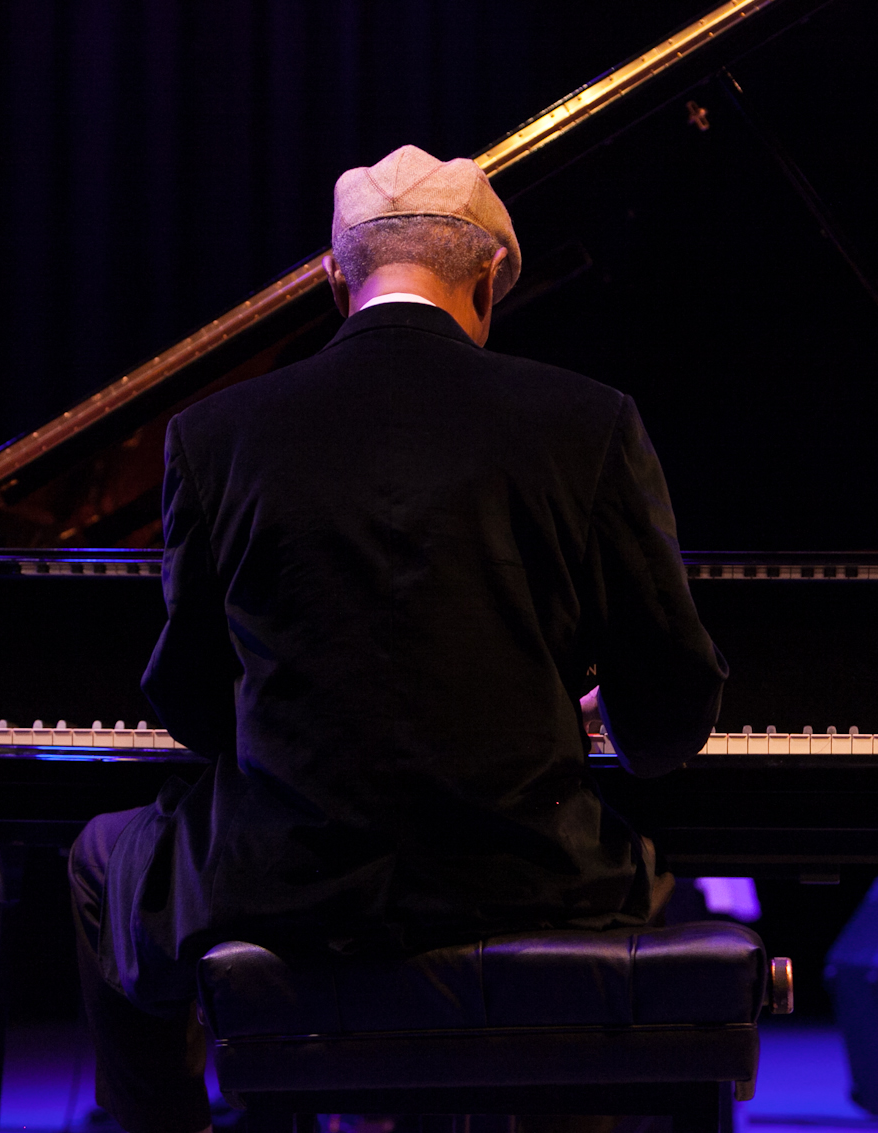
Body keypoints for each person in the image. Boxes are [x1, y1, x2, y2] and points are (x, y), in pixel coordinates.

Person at [69, 144, 728, 1133]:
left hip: (284, 882)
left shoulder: (213, 434)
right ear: (485, 285)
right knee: (656, 881)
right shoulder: (589, 423)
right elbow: (670, 710)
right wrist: (589, 712)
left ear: (336, 281)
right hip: (525, 875)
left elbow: (193, 706)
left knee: (97, 853)